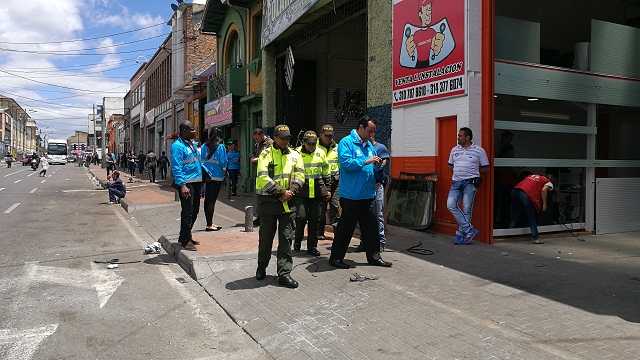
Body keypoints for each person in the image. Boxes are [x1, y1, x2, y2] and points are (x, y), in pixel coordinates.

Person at [328, 115, 392, 269]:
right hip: (351, 196)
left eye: (373, 132)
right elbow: (346, 164)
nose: (371, 135)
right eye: (370, 131)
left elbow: (371, 167)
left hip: (368, 194)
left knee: (371, 228)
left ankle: (374, 256)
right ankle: (336, 258)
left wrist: (377, 165)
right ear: (361, 127)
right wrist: (366, 161)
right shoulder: (346, 143)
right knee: (345, 228)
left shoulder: (368, 146)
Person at [255, 124, 305, 289]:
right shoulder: (265, 154)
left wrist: (291, 191)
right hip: (269, 201)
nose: (285, 140)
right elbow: (262, 177)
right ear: (274, 138)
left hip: (288, 203)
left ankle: (284, 273)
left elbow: (300, 175)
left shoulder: (295, 155)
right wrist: (281, 193)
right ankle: (261, 267)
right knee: (266, 239)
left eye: (288, 138)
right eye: (282, 138)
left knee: (286, 238)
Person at [447, 127, 490, 245]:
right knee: (450, 205)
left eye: (460, 136)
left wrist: (474, 173)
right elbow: (450, 166)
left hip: (470, 183)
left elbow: (486, 168)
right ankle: (469, 230)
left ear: (467, 137)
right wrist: (459, 173)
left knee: (467, 209)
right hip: (456, 182)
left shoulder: (479, 151)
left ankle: (460, 235)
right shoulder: (454, 150)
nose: (457, 138)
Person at [293, 131, 330, 256]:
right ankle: (297, 240)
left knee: (315, 220)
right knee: (301, 218)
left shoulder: (321, 152)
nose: (311, 146)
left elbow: (326, 172)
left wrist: (328, 189)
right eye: (309, 144)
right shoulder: (296, 153)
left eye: (313, 144)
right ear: (303, 142)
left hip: (317, 192)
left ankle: (312, 246)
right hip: (301, 192)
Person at [171, 121, 204, 251]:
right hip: (187, 183)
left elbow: (197, 161)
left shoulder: (192, 145)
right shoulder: (177, 146)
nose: (195, 132)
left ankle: (186, 235)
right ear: (184, 131)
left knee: (194, 211)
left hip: (196, 181)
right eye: (192, 130)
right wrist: (182, 185)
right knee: (187, 212)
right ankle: (185, 241)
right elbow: (176, 167)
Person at [355, 131, 390, 252]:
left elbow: (383, 163)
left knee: (377, 214)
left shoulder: (380, 148)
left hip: (376, 184)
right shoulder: (359, 148)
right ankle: (363, 241)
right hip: (364, 185)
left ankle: (380, 242)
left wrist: (376, 163)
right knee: (362, 214)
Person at [509, 174, 556, 244]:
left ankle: (508, 232)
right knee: (530, 215)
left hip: (515, 190)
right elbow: (543, 190)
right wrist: (544, 204)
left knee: (515, 213)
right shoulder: (548, 181)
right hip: (525, 193)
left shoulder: (533, 176)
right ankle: (536, 238)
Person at [201, 128, 228, 232]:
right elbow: (223, 162)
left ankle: (209, 222)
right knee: (212, 201)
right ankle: (209, 224)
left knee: (207, 199)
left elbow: (201, 160)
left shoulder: (204, 146)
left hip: (206, 176)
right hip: (217, 176)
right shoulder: (221, 147)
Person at [317, 124, 340, 240]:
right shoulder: (314, 146)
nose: (328, 138)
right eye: (326, 136)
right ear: (321, 135)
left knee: (335, 206)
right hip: (320, 181)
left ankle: (337, 231)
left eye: (330, 136)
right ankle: (319, 231)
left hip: (335, 181)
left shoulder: (337, 147)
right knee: (321, 208)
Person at [250, 128, 274, 226]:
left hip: (267, 173)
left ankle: (264, 216)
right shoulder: (259, 144)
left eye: (257, 138)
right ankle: (260, 215)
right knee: (259, 195)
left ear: (262, 135)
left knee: (266, 195)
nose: (257, 140)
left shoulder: (270, 143)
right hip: (259, 173)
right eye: (255, 139)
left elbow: (271, 157)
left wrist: (258, 159)